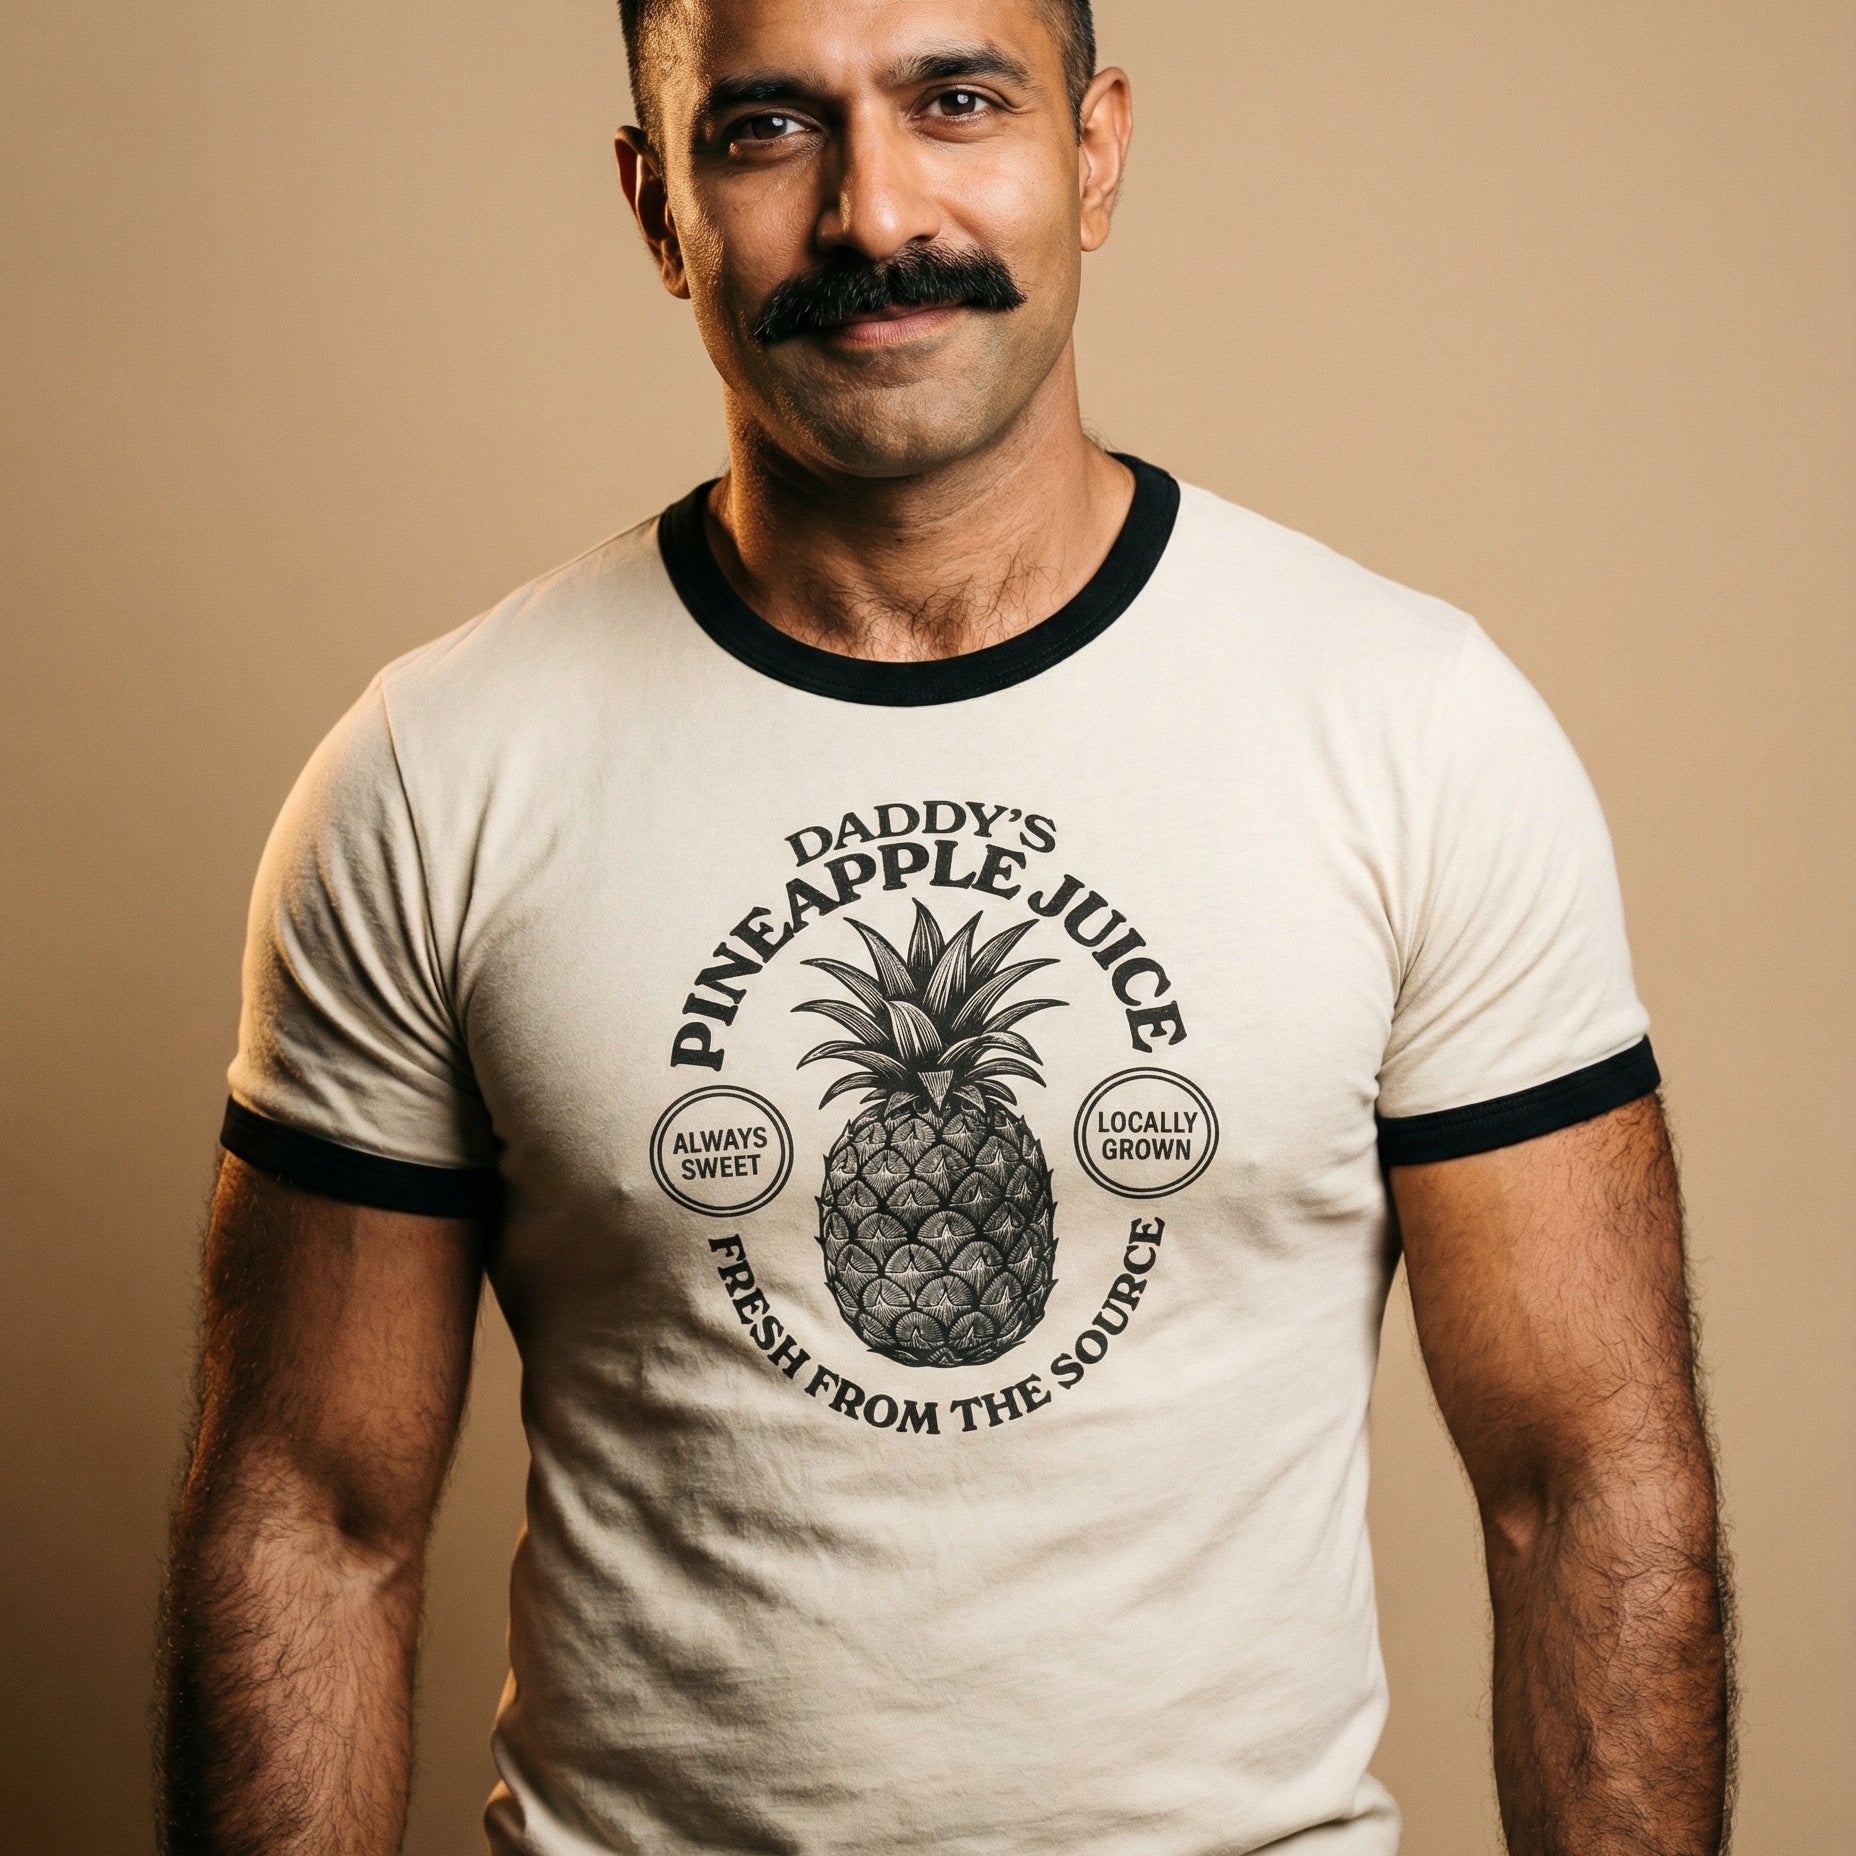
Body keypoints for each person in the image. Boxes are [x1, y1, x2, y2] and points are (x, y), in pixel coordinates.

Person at [158, 1, 1732, 1851]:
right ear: (656, 204)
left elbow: (1590, 1487)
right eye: (765, 131)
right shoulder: (439, 769)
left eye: (958, 100)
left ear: (1095, 152)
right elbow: (311, 1519)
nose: (872, 211)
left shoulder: (1411, 724)